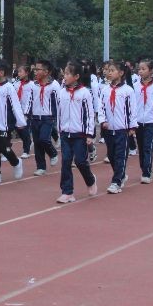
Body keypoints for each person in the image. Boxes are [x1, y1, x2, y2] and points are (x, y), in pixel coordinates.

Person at [53, 62, 98, 203]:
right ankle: (67, 192)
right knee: (66, 161)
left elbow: (90, 114)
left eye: (67, 74)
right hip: (66, 133)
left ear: (77, 76)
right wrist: (60, 129)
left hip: (80, 134)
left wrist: (90, 134)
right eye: (64, 73)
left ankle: (90, 180)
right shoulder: (61, 92)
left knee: (80, 161)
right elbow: (59, 112)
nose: (64, 76)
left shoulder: (84, 93)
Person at [0, 59, 26, 184]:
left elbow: (15, 105)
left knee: (4, 148)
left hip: (4, 124)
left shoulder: (9, 88)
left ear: (1, 73)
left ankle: (16, 162)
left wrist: (20, 122)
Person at [99, 60, 136, 194]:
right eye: (108, 70)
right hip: (109, 128)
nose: (109, 73)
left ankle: (116, 182)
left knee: (120, 155)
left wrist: (131, 127)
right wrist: (103, 121)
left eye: (112, 70)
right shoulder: (105, 90)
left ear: (121, 73)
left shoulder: (128, 91)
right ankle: (121, 174)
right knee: (111, 154)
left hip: (122, 128)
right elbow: (101, 107)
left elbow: (132, 110)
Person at [134, 59, 153, 183]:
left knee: (148, 146)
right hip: (138, 121)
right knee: (140, 147)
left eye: (143, 69)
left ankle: (147, 172)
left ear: (151, 71)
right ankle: (143, 167)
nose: (140, 71)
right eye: (139, 69)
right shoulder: (135, 86)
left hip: (150, 121)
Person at [29, 59, 60, 176]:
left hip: (48, 117)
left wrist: (56, 116)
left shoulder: (54, 85)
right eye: (35, 69)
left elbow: (58, 102)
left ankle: (53, 153)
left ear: (46, 72)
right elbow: (30, 100)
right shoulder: (33, 85)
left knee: (44, 139)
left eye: (38, 69)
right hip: (35, 116)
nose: (35, 71)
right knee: (37, 142)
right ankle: (41, 166)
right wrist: (27, 113)